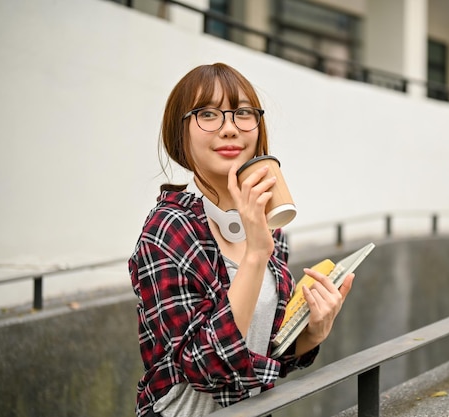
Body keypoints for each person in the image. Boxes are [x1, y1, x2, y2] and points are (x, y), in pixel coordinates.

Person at [129, 62, 355, 417]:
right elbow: (205, 369)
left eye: (243, 113)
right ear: (180, 132)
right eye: (208, 114)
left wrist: (311, 333)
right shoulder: (167, 230)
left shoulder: (267, 225)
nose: (230, 129)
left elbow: (262, 348)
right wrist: (255, 254)